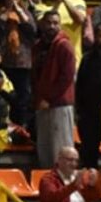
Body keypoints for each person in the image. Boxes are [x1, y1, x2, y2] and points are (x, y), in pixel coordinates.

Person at [31, 11, 76, 169]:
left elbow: (67, 77)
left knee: (61, 150)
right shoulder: (37, 46)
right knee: (44, 149)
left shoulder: (64, 45)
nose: (52, 26)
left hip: (59, 104)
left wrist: (48, 99)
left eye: (55, 23)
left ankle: (64, 187)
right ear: (42, 24)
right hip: (41, 103)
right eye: (48, 22)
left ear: (60, 25)